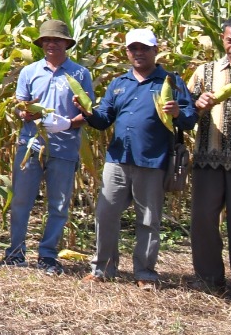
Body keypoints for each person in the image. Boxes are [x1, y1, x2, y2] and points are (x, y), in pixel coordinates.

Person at [82, 27, 196, 288]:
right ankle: (103, 269)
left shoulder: (171, 81)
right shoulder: (119, 83)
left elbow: (190, 120)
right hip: (118, 159)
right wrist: (88, 112)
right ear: (127, 52)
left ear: (156, 50)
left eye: (144, 48)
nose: (139, 53)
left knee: (148, 219)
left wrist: (178, 112)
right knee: (106, 214)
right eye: (134, 48)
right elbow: (103, 120)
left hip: (153, 161)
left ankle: (144, 272)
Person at [4, 19, 95, 274]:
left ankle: (47, 256)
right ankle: (15, 253)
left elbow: (88, 113)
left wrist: (67, 123)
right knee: (21, 200)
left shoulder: (79, 74)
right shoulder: (29, 72)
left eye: (57, 40)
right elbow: (20, 107)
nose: (51, 44)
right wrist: (28, 113)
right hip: (31, 144)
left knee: (58, 204)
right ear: (41, 44)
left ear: (67, 43)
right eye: (46, 40)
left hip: (65, 147)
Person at [186, 16, 231, 303]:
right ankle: (208, 279)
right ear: (222, 39)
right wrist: (197, 105)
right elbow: (184, 116)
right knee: (203, 220)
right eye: (230, 39)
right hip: (206, 159)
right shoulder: (205, 72)